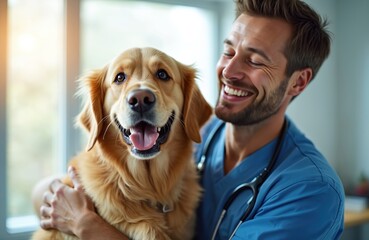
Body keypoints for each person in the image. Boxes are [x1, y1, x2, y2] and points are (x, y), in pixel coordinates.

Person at [33, 0, 344, 239]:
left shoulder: (310, 191)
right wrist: (53, 195)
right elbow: (46, 198)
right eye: (229, 51)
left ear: (298, 82)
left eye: (254, 60)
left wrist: (88, 225)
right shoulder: (191, 135)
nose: (229, 71)